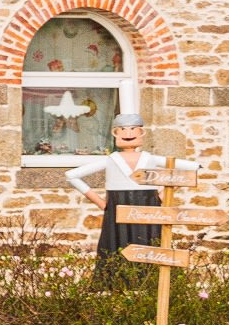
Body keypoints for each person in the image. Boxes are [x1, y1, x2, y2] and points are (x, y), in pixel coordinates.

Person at [65, 113, 177, 272]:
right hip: (118, 205)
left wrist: (160, 196)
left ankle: (149, 281)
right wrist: (101, 203)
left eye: (133, 129)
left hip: (147, 205)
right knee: (116, 244)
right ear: (115, 133)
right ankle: (117, 282)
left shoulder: (150, 159)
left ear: (141, 132)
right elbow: (71, 175)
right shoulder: (111, 159)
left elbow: (192, 169)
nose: (128, 133)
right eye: (123, 129)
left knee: (150, 243)